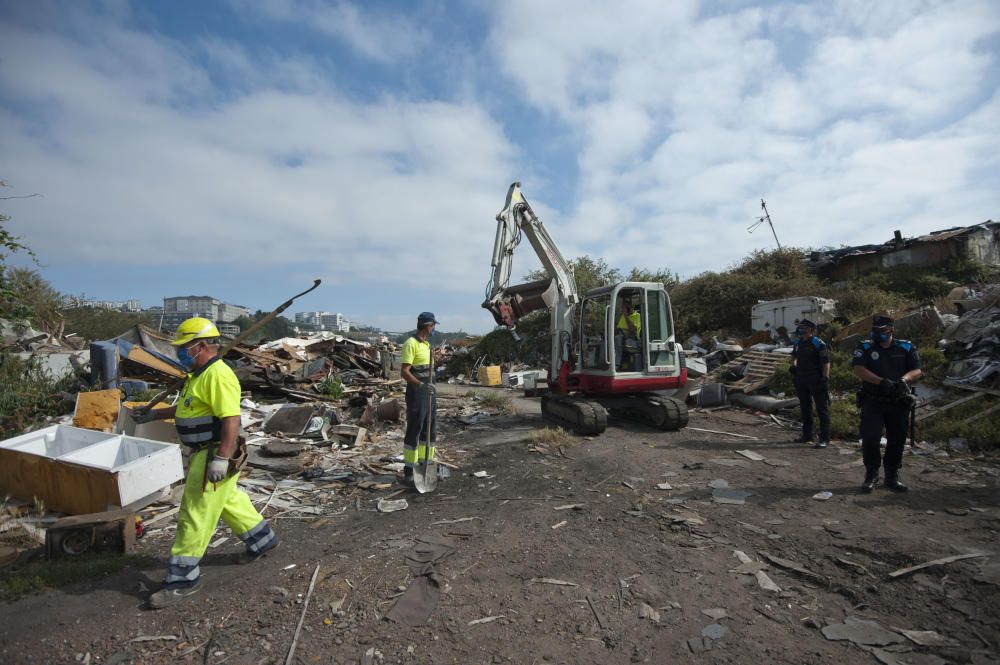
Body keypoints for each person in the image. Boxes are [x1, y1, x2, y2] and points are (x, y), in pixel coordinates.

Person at [132, 317, 278, 608]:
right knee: (228, 501)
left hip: (212, 454)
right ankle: (264, 541)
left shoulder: (218, 375)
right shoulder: (198, 375)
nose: (180, 352)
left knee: (194, 515)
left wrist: (222, 458)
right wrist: (155, 415)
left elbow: (231, 420)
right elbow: (187, 408)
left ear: (199, 346)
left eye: (183, 347)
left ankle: (183, 580)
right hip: (202, 453)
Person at [852, 315, 922, 493]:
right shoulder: (865, 346)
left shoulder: (906, 347)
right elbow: (859, 369)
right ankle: (871, 474)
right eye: (875, 330)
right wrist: (881, 381)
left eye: (881, 331)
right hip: (873, 400)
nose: (877, 334)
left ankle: (891, 476)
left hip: (898, 402)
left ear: (891, 330)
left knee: (897, 440)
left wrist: (903, 380)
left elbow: (917, 370)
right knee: (871, 438)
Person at [400, 312, 439, 489]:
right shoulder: (411, 343)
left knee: (430, 427)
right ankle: (409, 470)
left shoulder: (427, 345)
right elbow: (405, 372)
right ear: (427, 325)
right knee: (416, 427)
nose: (434, 329)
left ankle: (426, 463)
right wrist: (421, 385)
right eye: (433, 326)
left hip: (430, 393)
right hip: (418, 393)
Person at [789, 319, 831, 447]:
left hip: (815, 378)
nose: (801, 329)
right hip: (801, 378)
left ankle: (824, 439)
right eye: (800, 327)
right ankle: (807, 435)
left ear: (810, 329)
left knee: (821, 409)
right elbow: (794, 356)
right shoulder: (798, 342)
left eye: (804, 327)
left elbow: (826, 362)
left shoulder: (818, 343)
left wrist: (825, 377)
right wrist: (794, 366)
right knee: (805, 408)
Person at [614, 299, 642, 371]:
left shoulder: (637, 316)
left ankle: (617, 364)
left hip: (633, 339)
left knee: (617, 338)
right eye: (623, 308)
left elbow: (632, 330)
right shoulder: (623, 316)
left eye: (625, 308)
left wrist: (626, 317)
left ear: (630, 308)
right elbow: (618, 329)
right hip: (622, 336)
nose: (623, 310)